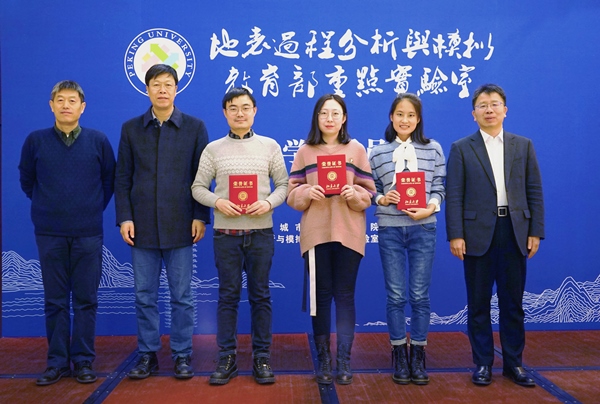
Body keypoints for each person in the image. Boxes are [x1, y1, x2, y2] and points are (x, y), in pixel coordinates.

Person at [114, 64, 210, 380]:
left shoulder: (194, 128)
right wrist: (125, 217)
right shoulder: (131, 129)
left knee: (182, 296)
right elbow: (122, 178)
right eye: (156, 84)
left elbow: (202, 178)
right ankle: (147, 354)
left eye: (168, 84)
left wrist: (200, 216)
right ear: (147, 89)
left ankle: (182, 354)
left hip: (181, 224)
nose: (162, 90)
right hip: (141, 226)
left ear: (176, 89)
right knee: (144, 295)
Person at [445, 84, 544, 388]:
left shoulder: (522, 145)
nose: (489, 110)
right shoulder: (462, 148)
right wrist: (456, 234)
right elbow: (454, 195)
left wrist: (536, 230)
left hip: (514, 230)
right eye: (483, 105)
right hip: (476, 234)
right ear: (473, 113)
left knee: (512, 303)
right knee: (478, 303)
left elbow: (534, 190)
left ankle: (514, 363)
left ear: (505, 110)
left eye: (495, 104)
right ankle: (483, 363)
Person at [19, 80, 116, 386]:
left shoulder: (98, 141)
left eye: (72, 101)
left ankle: (84, 360)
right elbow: (27, 181)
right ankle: (57, 362)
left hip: (88, 232)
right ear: (51, 105)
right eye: (60, 100)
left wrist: (89, 208)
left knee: (86, 299)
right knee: (55, 300)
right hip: (50, 233)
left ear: (82, 107)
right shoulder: (35, 141)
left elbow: (109, 181)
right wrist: (49, 206)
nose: (66, 106)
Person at [191, 87, 288, 385]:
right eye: (233, 108)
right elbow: (197, 188)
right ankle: (227, 357)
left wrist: (268, 203)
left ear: (254, 110)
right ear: (225, 113)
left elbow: (284, 185)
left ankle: (262, 357)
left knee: (261, 296)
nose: (240, 113)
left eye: (245, 107)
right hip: (226, 235)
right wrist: (217, 202)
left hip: (260, 233)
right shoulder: (213, 149)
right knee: (228, 296)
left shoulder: (270, 146)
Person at [287, 94, 376, 386]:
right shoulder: (305, 151)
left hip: (349, 232)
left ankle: (344, 360)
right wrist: (306, 192)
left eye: (335, 113)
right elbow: (291, 193)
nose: (329, 118)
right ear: (317, 117)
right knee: (321, 297)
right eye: (324, 113)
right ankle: (324, 359)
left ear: (344, 118)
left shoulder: (356, 149)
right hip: (316, 234)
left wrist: (355, 194)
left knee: (345, 296)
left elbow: (369, 192)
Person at [368, 93, 446, 385]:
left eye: (411, 115)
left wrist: (430, 207)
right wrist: (382, 198)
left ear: (418, 119)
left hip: (423, 227)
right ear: (391, 117)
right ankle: (399, 353)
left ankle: (418, 355)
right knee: (396, 296)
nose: (405, 120)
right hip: (390, 227)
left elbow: (439, 186)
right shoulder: (377, 152)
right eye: (400, 114)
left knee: (419, 295)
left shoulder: (433, 148)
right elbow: (369, 187)